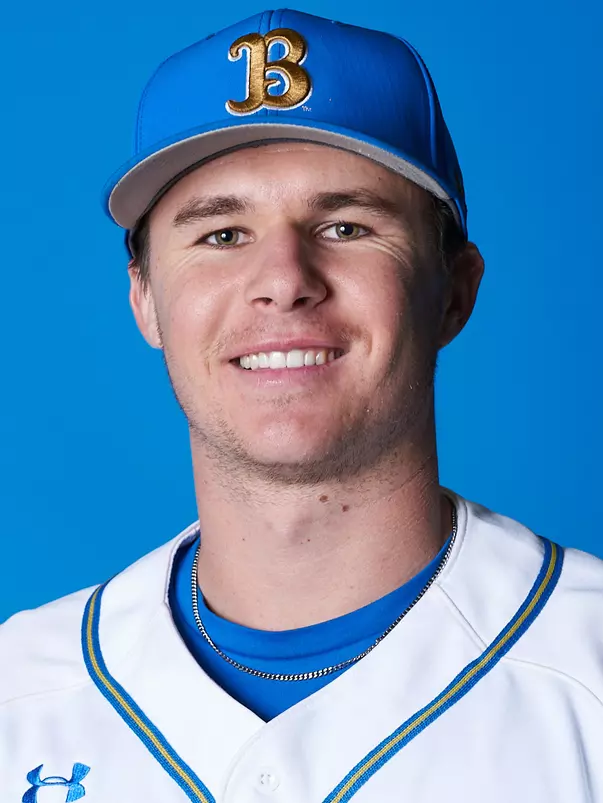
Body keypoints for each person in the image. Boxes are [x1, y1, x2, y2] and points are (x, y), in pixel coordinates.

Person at [2, 9, 602, 803]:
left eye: (346, 225)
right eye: (221, 234)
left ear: (453, 292)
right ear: (144, 300)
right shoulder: (20, 695)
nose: (284, 278)